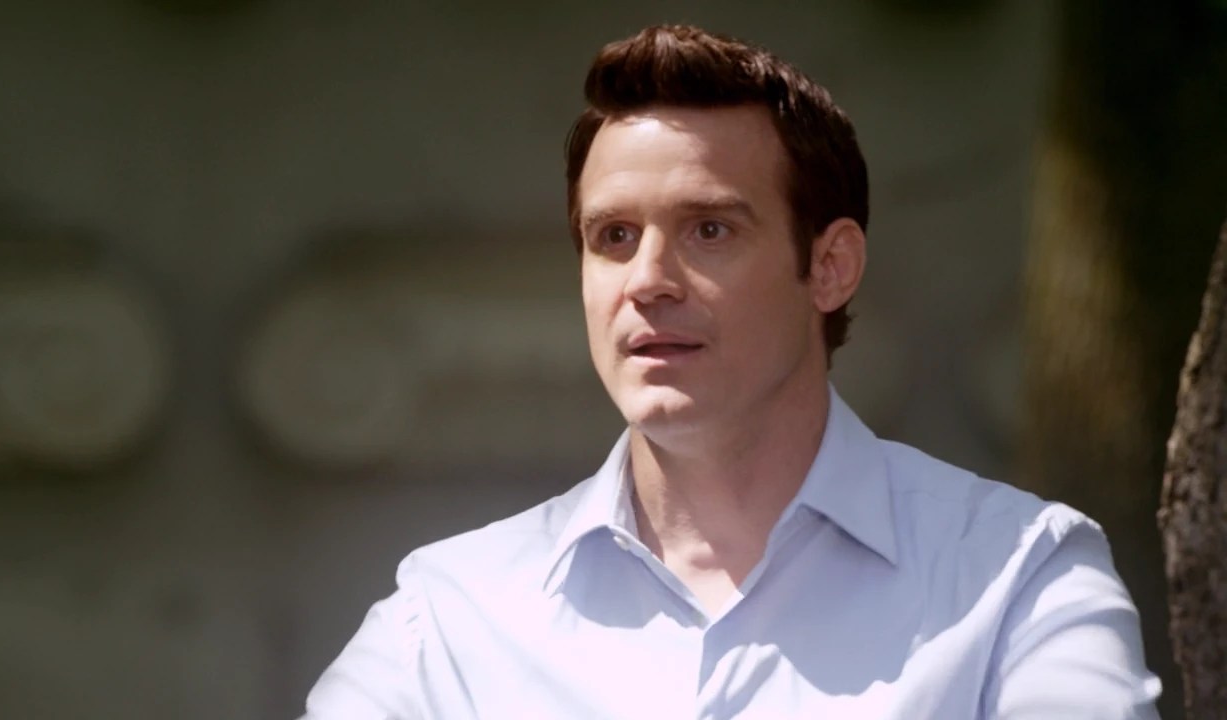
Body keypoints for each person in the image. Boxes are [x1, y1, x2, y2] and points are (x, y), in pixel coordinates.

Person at [301, 24, 1161, 719]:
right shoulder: (450, 616)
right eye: (613, 237)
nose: (647, 281)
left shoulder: (1019, 579)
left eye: (709, 230)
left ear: (830, 266)